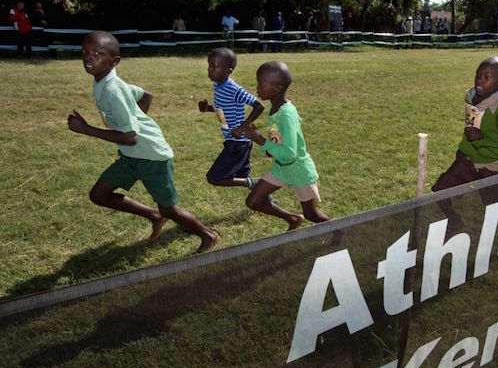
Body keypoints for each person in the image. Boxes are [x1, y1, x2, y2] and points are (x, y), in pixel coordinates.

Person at [67, 31, 219, 253]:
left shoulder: (112, 89)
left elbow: (130, 137)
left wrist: (86, 129)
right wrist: (138, 117)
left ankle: (209, 235)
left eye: (98, 54)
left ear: (114, 60)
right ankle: (153, 215)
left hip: (151, 157)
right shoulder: (104, 80)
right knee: (99, 195)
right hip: (131, 157)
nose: (89, 58)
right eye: (85, 52)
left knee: (169, 209)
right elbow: (146, 95)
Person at [239, 61, 330, 231]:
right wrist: (266, 143)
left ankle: (340, 232)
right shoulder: (275, 107)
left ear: (278, 88)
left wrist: (259, 140)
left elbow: (289, 154)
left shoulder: (287, 113)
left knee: (312, 214)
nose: (257, 87)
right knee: (253, 201)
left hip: (299, 170)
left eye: (261, 84)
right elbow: (279, 139)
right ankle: (293, 219)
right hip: (281, 168)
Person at [431, 56, 498, 229]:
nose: (480, 80)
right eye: (478, 75)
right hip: (466, 159)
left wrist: (483, 138)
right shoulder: (471, 97)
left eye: (487, 77)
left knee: (497, 199)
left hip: (490, 164)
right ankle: (455, 220)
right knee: (440, 190)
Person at [197, 47, 270, 199]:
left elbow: (259, 106)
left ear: (228, 71)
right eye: (209, 65)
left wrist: (243, 127)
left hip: (238, 143)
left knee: (214, 177)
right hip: (236, 141)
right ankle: (267, 199)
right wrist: (208, 108)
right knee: (243, 176)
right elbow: (223, 109)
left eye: (214, 67)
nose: (209, 70)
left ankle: (256, 184)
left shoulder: (233, 89)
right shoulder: (218, 84)